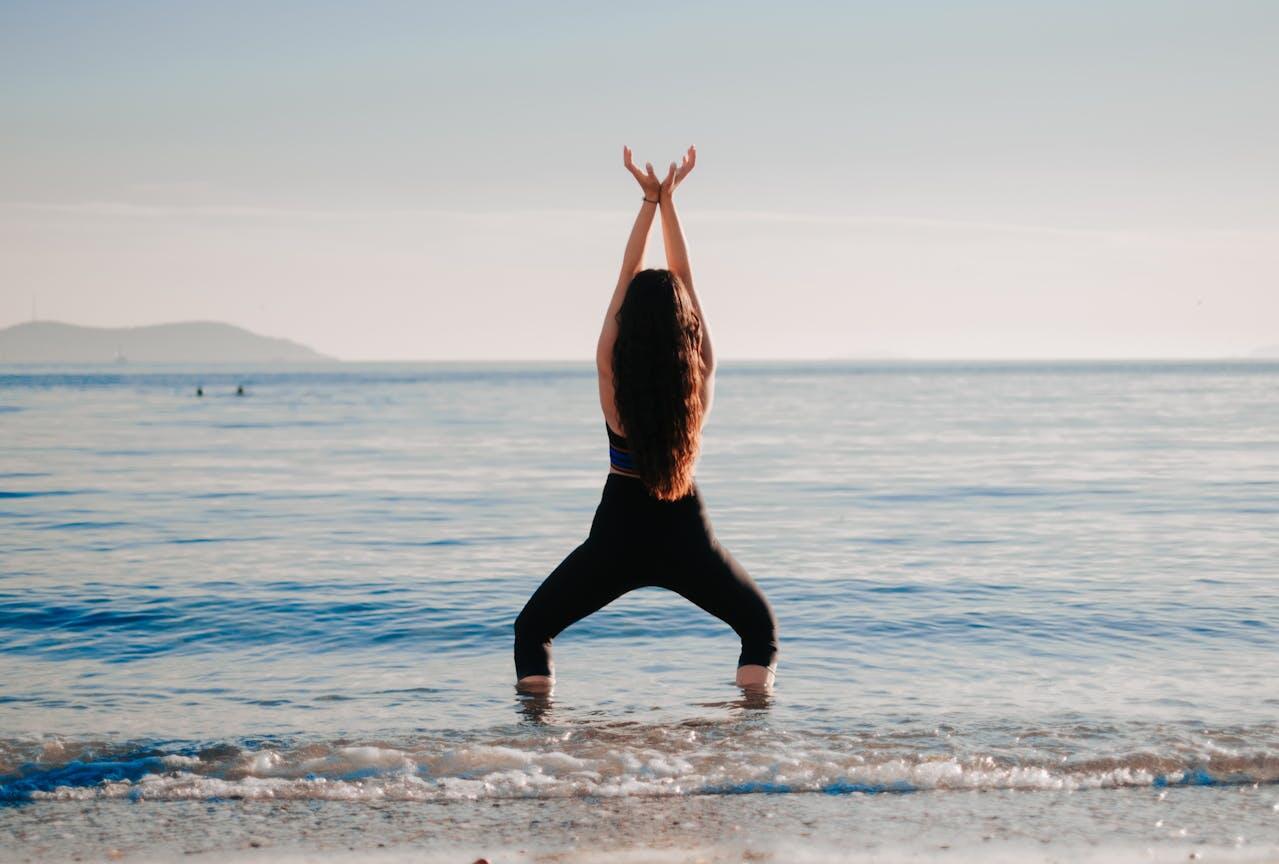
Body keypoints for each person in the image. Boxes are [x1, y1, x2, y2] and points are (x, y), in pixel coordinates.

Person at [513, 145, 778, 693]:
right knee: (758, 628)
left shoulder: (612, 373)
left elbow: (625, 275)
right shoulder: (698, 377)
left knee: (533, 629)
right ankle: (749, 749)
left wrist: (648, 201)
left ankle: (538, 754)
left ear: (627, 327)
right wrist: (670, 204)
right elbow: (684, 274)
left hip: (619, 529)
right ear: (689, 336)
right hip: (685, 527)